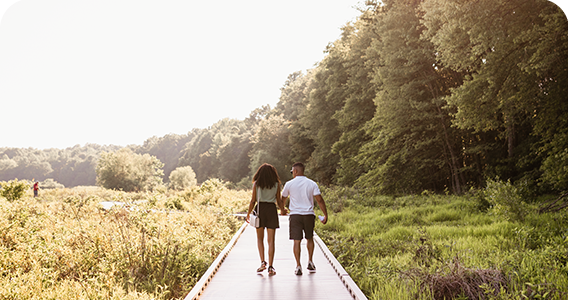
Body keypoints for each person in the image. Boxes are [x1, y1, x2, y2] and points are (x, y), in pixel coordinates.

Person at [281, 162, 328, 275]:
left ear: (295, 171)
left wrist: (282, 210)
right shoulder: (311, 183)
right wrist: (325, 214)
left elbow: (282, 198)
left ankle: (298, 266)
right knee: (309, 238)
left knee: (296, 241)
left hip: (295, 215)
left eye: (292, 172)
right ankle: (310, 261)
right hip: (308, 215)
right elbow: (319, 200)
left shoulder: (289, 184)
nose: (292, 174)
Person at [246, 163, 287, 276]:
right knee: (271, 240)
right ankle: (271, 266)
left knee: (260, 239)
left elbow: (253, 200)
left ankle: (263, 262)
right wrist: (282, 210)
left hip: (260, 209)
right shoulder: (276, 185)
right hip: (271, 210)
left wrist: (248, 213)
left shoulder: (256, 184)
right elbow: (279, 201)